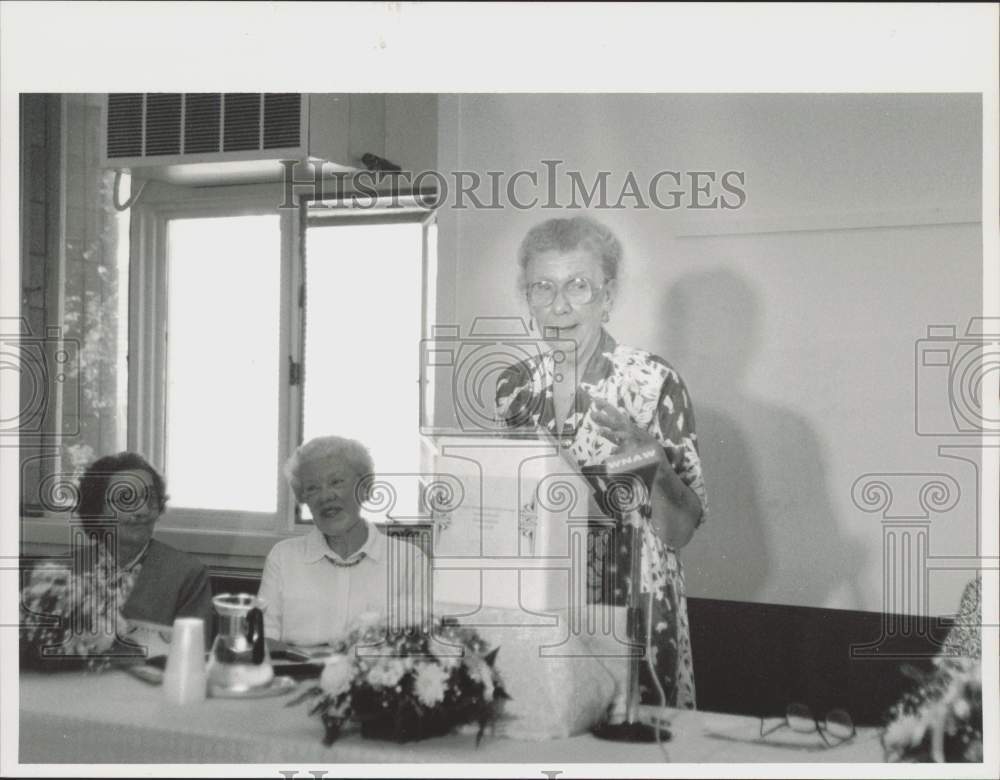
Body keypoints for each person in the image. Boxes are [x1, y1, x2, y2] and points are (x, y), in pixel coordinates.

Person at [495, 216, 709, 709]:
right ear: (526, 298)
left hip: (634, 601)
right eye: (542, 287)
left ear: (607, 297)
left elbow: (681, 530)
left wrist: (646, 457)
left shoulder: (653, 382)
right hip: (544, 603)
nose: (559, 305)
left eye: (578, 286)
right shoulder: (514, 388)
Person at [258, 436, 429, 646]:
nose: (325, 496)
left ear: (365, 488)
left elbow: (416, 645)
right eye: (312, 488)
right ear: (303, 498)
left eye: (336, 482)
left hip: (372, 676)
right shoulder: (283, 557)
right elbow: (264, 639)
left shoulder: (409, 561)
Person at [75, 452, 216, 636]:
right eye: (126, 499)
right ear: (98, 512)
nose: (142, 510)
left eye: (150, 499)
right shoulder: (65, 573)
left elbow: (195, 653)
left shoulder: (187, 575)